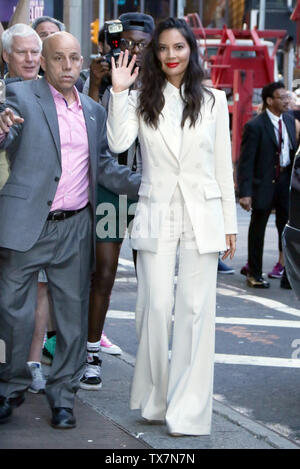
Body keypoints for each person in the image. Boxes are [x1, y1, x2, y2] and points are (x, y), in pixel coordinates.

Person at [0, 31, 140, 428]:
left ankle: (63, 396)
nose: (67, 66)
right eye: (58, 58)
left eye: (74, 59)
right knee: (14, 315)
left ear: (82, 63)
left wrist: (147, 182)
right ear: (44, 62)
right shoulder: (20, 96)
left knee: (73, 317)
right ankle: (9, 387)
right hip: (26, 225)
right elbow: (6, 134)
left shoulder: (94, 111)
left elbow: (104, 167)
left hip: (75, 227)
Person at [107, 17, 237, 436]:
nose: (170, 56)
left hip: (203, 214)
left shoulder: (216, 101)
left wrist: (230, 223)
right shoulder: (142, 97)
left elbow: (222, 167)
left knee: (197, 312)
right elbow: (117, 142)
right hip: (156, 211)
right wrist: (119, 91)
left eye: (178, 47)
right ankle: (154, 400)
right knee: (156, 307)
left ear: (191, 50)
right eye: (162, 49)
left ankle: (188, 412)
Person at [80, 12, 154, 391]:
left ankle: (151, 361)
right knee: (103, 274)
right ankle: (90, 355)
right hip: (115, 191)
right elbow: (93, 145)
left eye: (141, 44)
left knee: (152, 279)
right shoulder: (106, 81)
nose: (133, 51)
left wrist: (148, 186)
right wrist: (96, 83)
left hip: (149, 197)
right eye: (125, 43)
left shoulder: (161, 86)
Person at [0, 23, 50, 393]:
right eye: (22, 52)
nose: (31, 58)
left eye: (35, 51)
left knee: (34, 292)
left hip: (38, 212)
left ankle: (27, 365)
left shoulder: (60, 91)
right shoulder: (5, 94)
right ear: (6, 56)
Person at [238, 82, 297, 288]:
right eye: (282, 97)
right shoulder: (255, 126)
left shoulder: (290, 121)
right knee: (258, 229)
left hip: (285, 183)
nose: (287, 101)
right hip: (263, 183)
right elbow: (245, 162)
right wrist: (245, 192)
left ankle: (288, 275)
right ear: (270, 101)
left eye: (287, 97)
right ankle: (254, 273)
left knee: (287, 230)